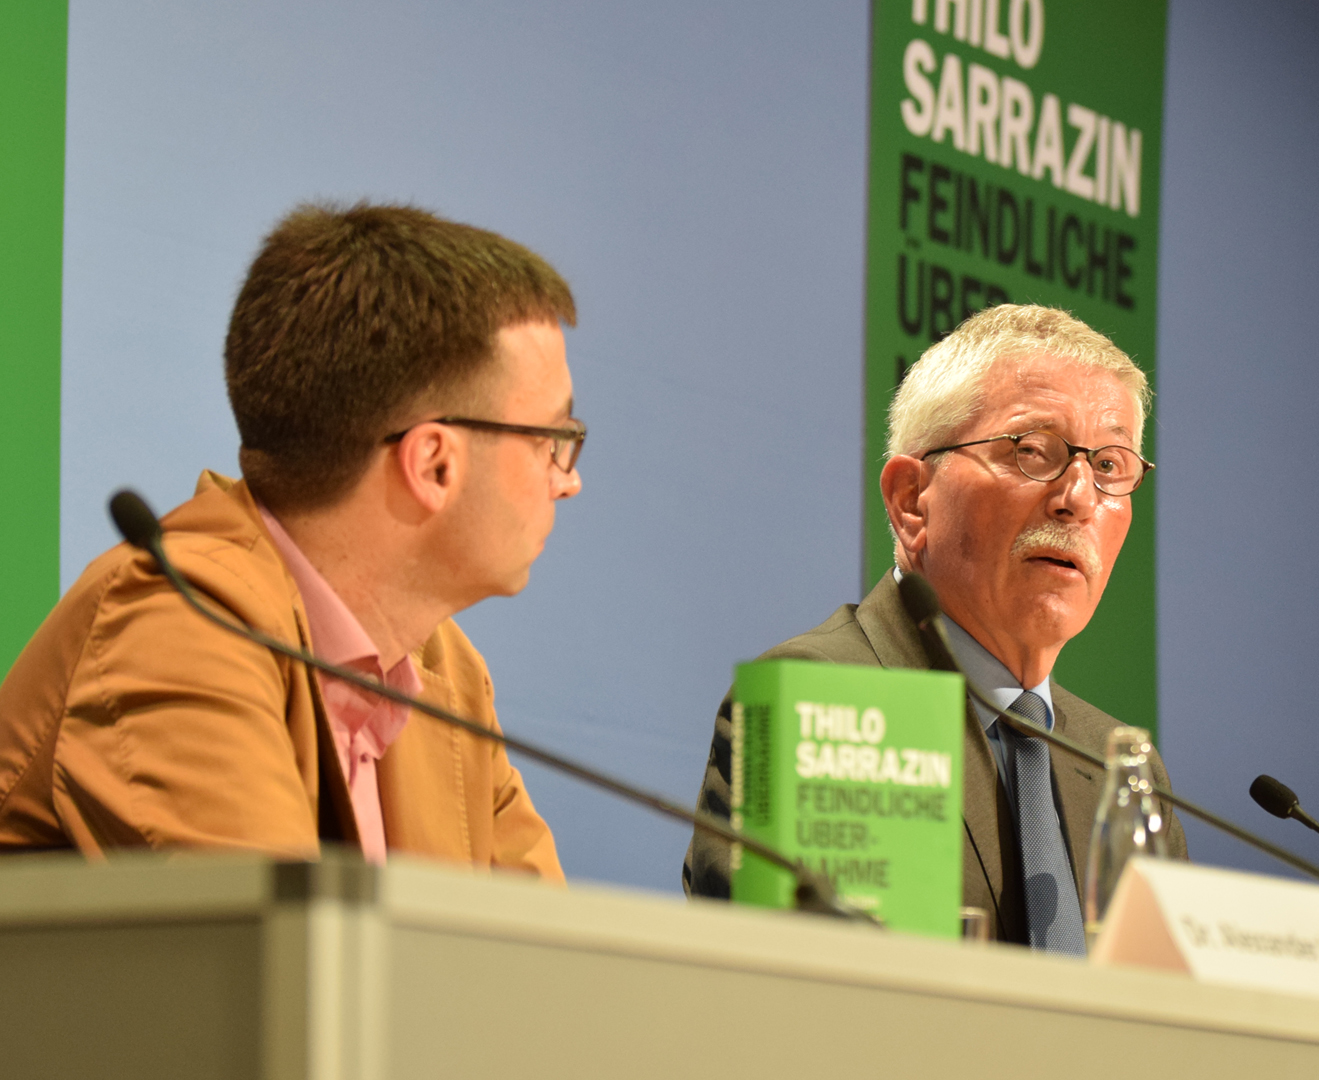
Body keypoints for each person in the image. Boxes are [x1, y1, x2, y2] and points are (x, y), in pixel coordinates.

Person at [0, 203, 581, 880]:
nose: (568, 483)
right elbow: (282, 968)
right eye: (555, 441)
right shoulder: (178, 625)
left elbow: (542, 967)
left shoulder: (444, 671)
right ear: (433, 464)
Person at [684, 304, 1185, 952]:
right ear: (911, 501)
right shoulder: (823, 703)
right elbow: (794, 1013)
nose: (1079, 497)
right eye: (1033, 451)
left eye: (1111, 466)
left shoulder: (1117, 763)